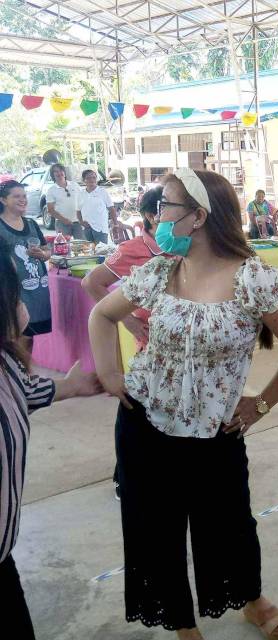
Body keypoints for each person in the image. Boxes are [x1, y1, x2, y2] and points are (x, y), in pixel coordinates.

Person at [88, 168, 278, 640]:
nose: (156, 217)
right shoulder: (160, 270)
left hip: (215, 428)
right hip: (144, 423)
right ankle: (181, 623)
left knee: (229, 522)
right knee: (155, 528)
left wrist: (262, 404)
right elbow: (101, 314)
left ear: (197, 216)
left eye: (165, 206)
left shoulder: (254, 279)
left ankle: (251, 599)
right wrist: (112, 375)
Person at [0, 237, 101, 640]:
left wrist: (71, 387)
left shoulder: (5, 361)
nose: (23, 303)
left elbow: (25, 392)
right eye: (15, 292)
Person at [83, 186, 165, 351]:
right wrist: (128, 320)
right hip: (152, 344)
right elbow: (91, 282)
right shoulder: (133, 248)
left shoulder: (185, 244)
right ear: (151, 216)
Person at [0, 180, 51, 351]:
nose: (23, 200)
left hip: (38, 293)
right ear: (3, 200)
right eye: (16, 196)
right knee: (14, 340)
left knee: (30, 340)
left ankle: (25, 376)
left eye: (24, 196)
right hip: (13, 295)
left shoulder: (31, 224)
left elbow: (46, 250)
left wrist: (43, 255)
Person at [76, 169, 117, 244]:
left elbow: (111, 209)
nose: (91, 180)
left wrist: (115, 224)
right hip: (87, 228)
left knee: (101, 251)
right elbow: (78, 211)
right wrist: (81, 222)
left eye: (94, 177)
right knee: (88, 252)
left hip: (100, 228)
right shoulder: (81, 194)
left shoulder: (102, 192)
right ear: (84, 180)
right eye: (88, 178)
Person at [45, 163, 82, 237]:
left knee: (82, 246)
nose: (59, 173)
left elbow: (83, 201)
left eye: (61, 170)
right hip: (62, 223)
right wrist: (64, 220)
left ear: (64, 172)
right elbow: (50, 210)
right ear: (53, 175)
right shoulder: (51, 190)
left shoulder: (75, 185)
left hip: (78, 222)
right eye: (56, 171)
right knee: (63, 246)